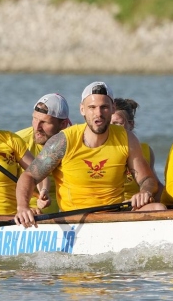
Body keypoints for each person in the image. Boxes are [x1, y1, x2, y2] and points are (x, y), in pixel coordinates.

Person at [15, 82, 165, 227]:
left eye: (104, 107)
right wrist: (23, 207)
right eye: (92, 107)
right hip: (75, 219)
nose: (98, 114)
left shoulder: (127, 138)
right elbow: (29, 176)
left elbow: (147, 179)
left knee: (159, 209)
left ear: (113, 108)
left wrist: (144, 191)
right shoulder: (63, 141)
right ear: (82, 110)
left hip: (114, 216)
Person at [16, 93, 71, 214]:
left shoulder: (74, 142)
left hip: (67, 215)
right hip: (26, 216)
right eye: (34, 119)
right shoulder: (18, 141)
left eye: (44, 122)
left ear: (63, 124)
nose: (37, 127)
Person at [111, 98, 156, 201]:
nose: (112, 128)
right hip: (110, 204)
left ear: (131, 124)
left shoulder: (145, 150)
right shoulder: (96, 149)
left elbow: (154, 184)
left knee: (160, 206)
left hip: (136, 204)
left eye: (117, 123)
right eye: (108, 123)